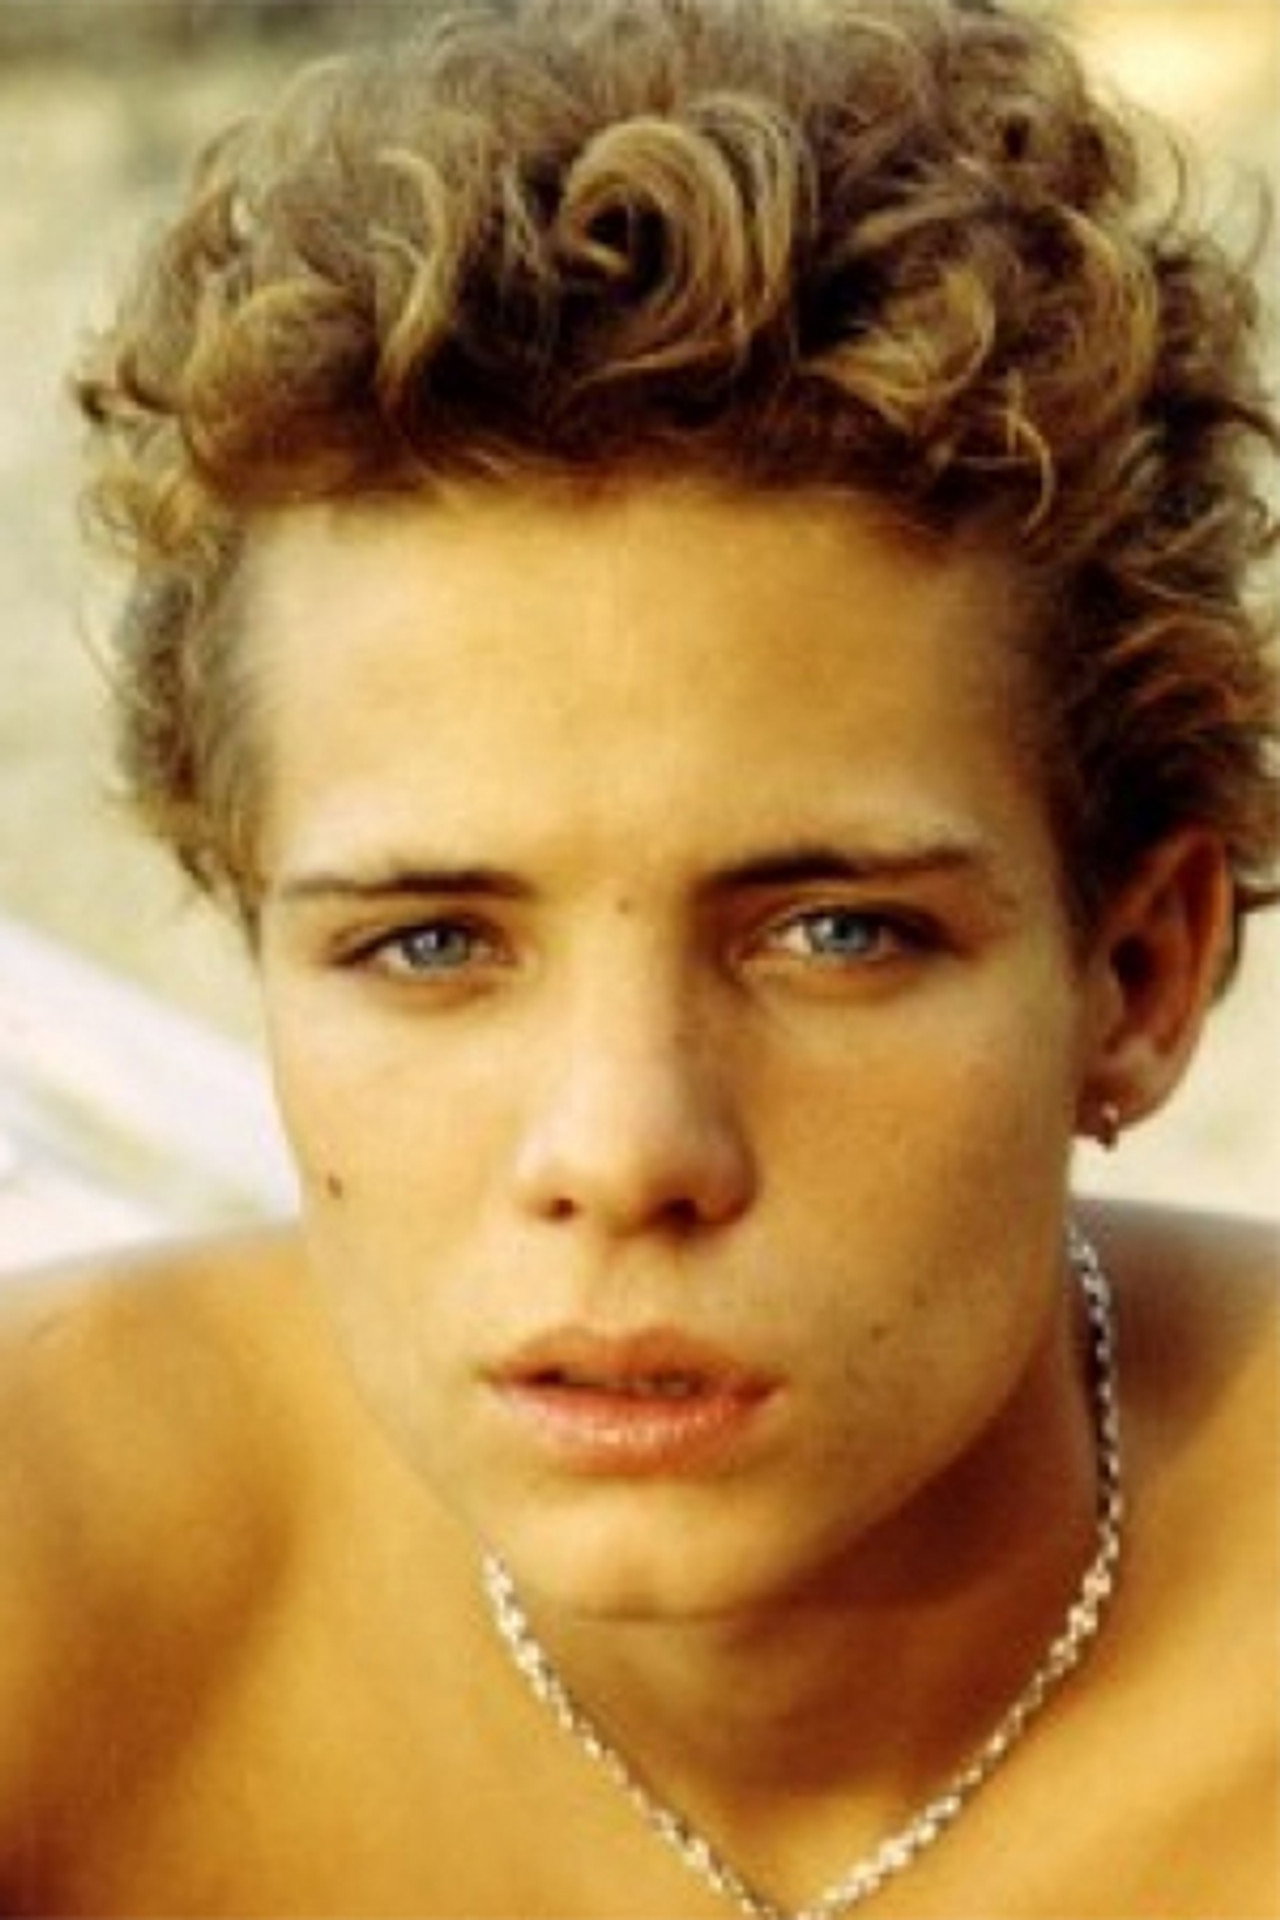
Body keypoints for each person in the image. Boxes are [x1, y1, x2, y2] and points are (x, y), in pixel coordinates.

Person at [2, 0, 1276, 1912]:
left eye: (836, 933)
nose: (620, 1151)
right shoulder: (57, 1560)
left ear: (1141, 975)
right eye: (431, 942)